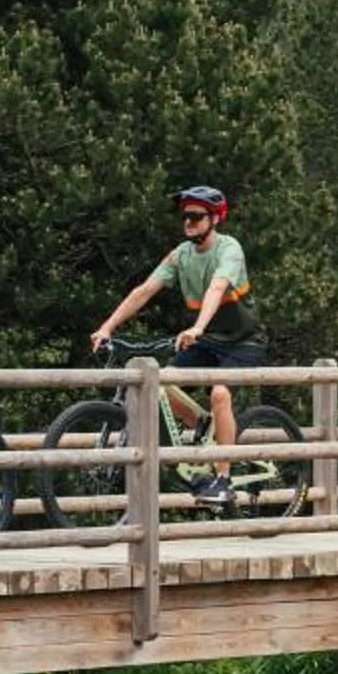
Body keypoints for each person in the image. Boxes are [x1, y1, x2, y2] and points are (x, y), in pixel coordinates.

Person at [89, 184, 266, 505]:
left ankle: (224, 480)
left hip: (244, 342)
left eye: (196, 216)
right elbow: (144, 291)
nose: (188, 222)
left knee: (220, 393)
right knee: (162, 385)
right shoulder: (180, 255)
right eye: (185, 216)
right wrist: (107, 327)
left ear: (215, 219)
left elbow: (216, 288)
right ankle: (205, 425)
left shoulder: (229, 249)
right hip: (208, 340)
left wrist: (197, 327)